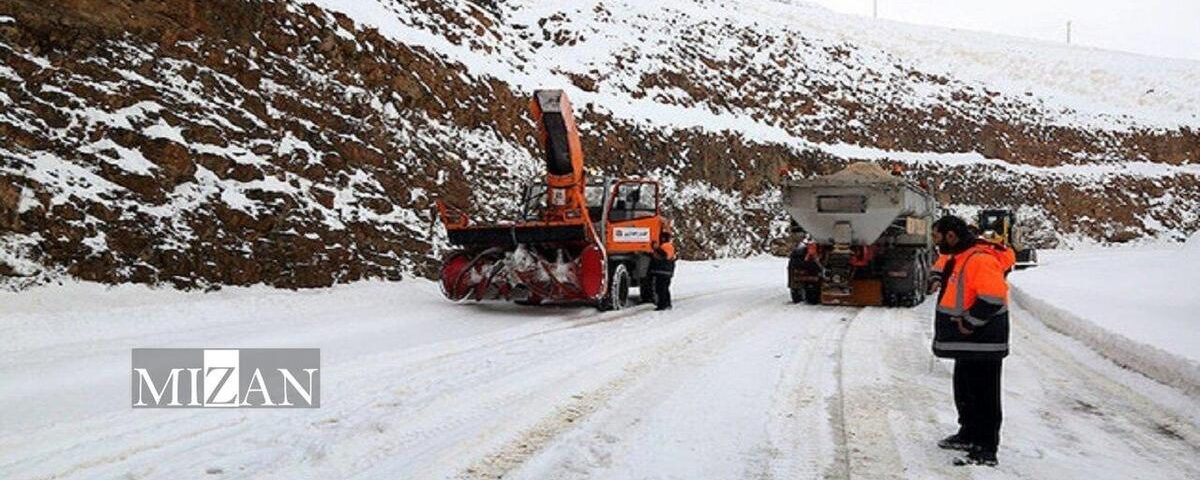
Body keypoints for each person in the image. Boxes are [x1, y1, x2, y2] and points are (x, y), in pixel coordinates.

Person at [930, 215, 1010, 467]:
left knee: (985, 394)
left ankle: (986, 448)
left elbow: (992, 298)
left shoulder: (980, 259)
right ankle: (968, 434)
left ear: (951, 235)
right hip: (968, 342)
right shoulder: (961, 256)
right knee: (965, 388)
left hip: (983, 340)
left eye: (937, 236)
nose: (935, 241)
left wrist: (969, 322)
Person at [649, 229, 677, 311]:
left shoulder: (667, 246)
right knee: (664, 288)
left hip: (664, 272)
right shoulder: (666, 246)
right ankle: (667, 304)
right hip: (664, 272)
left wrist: (656, 248)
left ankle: (662, 305)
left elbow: (664, 255)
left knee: (661, 289)